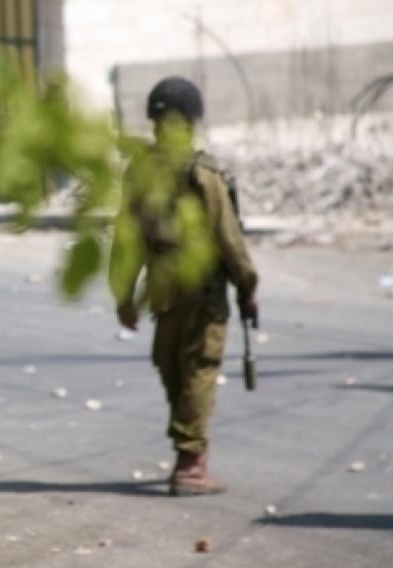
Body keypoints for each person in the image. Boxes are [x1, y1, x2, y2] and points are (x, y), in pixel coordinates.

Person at [109, 76, 259, 496]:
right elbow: (229, 238)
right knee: (198, 370)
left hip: (161, 290)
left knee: (173, 365)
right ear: (192, 121)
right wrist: (247, 283)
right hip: (202, 290)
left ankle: (186, 451)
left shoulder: (141, 171)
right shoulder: (202, 173)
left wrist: (124, 295)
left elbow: (127, 240)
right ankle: (191, 466)